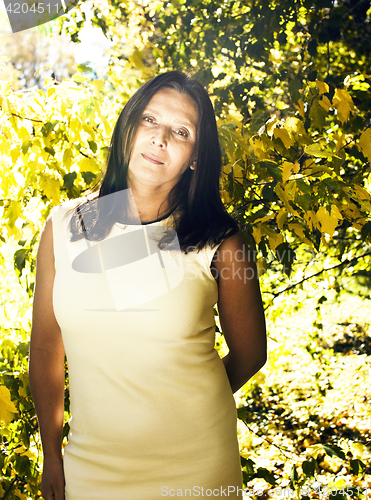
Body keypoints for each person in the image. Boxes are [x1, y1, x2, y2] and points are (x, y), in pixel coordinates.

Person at [29, 71, 267, 500]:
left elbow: (251, 353)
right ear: (128, 127)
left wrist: (184, 409)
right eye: (149, 121)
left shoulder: (222, 241)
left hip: (197, 468)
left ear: (196, 156)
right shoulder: (63, 226)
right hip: (92, 465)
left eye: (181, 131)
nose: (160, 139)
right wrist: (51, 454)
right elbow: (46, 346)